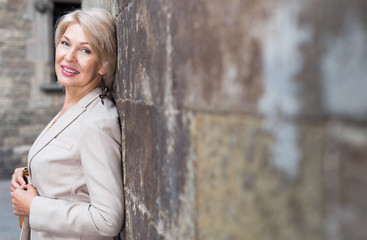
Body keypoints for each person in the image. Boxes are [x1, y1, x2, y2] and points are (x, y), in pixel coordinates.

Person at [10, 8, 124, 240]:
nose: (69, 57)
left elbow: (107, 220)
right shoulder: (74, 107)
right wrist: (29, 174)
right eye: (65, 43)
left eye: (85, 50)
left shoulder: (96, 122)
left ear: (103, 64)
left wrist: (34, 207)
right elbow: (74, 172)